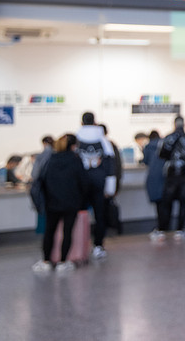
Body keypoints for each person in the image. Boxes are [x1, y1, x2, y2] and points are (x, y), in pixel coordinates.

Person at [33, 134, 88, 273]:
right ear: (73, 146)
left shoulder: (50, 159)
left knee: (49, 232)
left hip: (52, 203)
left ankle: (46, 261)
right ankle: (63, 261)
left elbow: (41, 180)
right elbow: (83, 182)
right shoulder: (76, 160)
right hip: (71, 203)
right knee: (67, 232)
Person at [76, 111, 117, 259]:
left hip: (80, 184)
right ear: (95, 122)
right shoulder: (103, 141)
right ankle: (98, 245)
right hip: (100, 183)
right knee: (100, 215)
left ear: (81, 122)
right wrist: (110, 187)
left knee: (79, 215)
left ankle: (78, 244)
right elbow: (111, 165)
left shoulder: (76, 139)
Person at [157, 116, 185, 241]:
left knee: (166, 203)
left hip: (171, 174)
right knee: (183, 203)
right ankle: (180, 229)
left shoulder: (168, 138)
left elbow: (161, 154)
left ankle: (164, 228)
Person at [140, 130, 166, 240]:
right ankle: (165, 227)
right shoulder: (165, 146)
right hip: (165, 177)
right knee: (165, 204)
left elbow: (145, 161)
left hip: (153, 178)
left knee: (158, 204)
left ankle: (161, 227)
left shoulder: (148, 147)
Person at [30, 136, 56, 234]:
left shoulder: (40, 156)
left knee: (42, 212)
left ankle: (44, 233)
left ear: (44, 143)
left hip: (42, 188)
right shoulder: (57, 155)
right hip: (55, 190)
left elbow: (34, 174)